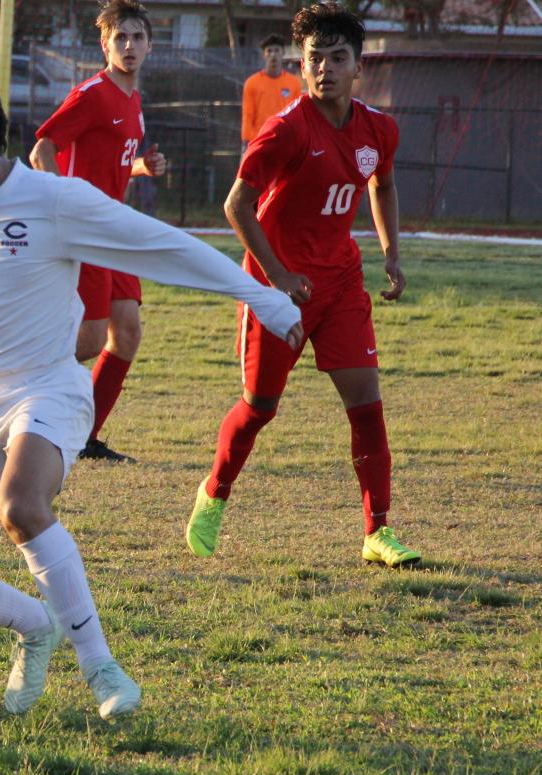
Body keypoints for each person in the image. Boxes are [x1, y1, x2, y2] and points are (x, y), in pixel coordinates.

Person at [0, 61, 303, 719]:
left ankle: (102, 668)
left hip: (49, 388)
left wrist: (263, 298)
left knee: (20, 504)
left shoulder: (54, 200)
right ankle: (32, 623)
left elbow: (161, 246)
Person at [185, 3, 420, 568]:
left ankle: (377, 531)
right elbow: (237, 204)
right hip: (276, 289)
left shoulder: (378, 130)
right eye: (315, 58)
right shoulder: (287, 129)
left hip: (339, 285)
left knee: (367, 406)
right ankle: (214, 491)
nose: (324, 69)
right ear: (303, 64)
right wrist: (278, 276)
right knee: (260, 405)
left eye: (337, 58)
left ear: (358, 66)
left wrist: (390, 252)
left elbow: (381, 185)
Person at [29, 0, 167, 464]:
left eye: (137, 37)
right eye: (120, 38)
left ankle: (84, 438)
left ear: (149, 44)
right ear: (104, 44)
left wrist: (144, 166)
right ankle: (18, 391)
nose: (129, 46)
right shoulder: (92, 93)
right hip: (86, 232)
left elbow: (116, 165)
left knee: (125, 335)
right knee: (89, 340)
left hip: (115, 231)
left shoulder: (133, 99)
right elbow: (42, 149)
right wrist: (61, 205)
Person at [242, 34, 303, 150]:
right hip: (259, 141)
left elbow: (298, 116)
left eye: (276, 50)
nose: (273, 55)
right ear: (264, 55)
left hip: (285, 141)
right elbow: (247, 114)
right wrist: (246, 142)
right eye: (269, 51)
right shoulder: (252, 83)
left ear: (282, 53)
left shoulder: (294, 83)